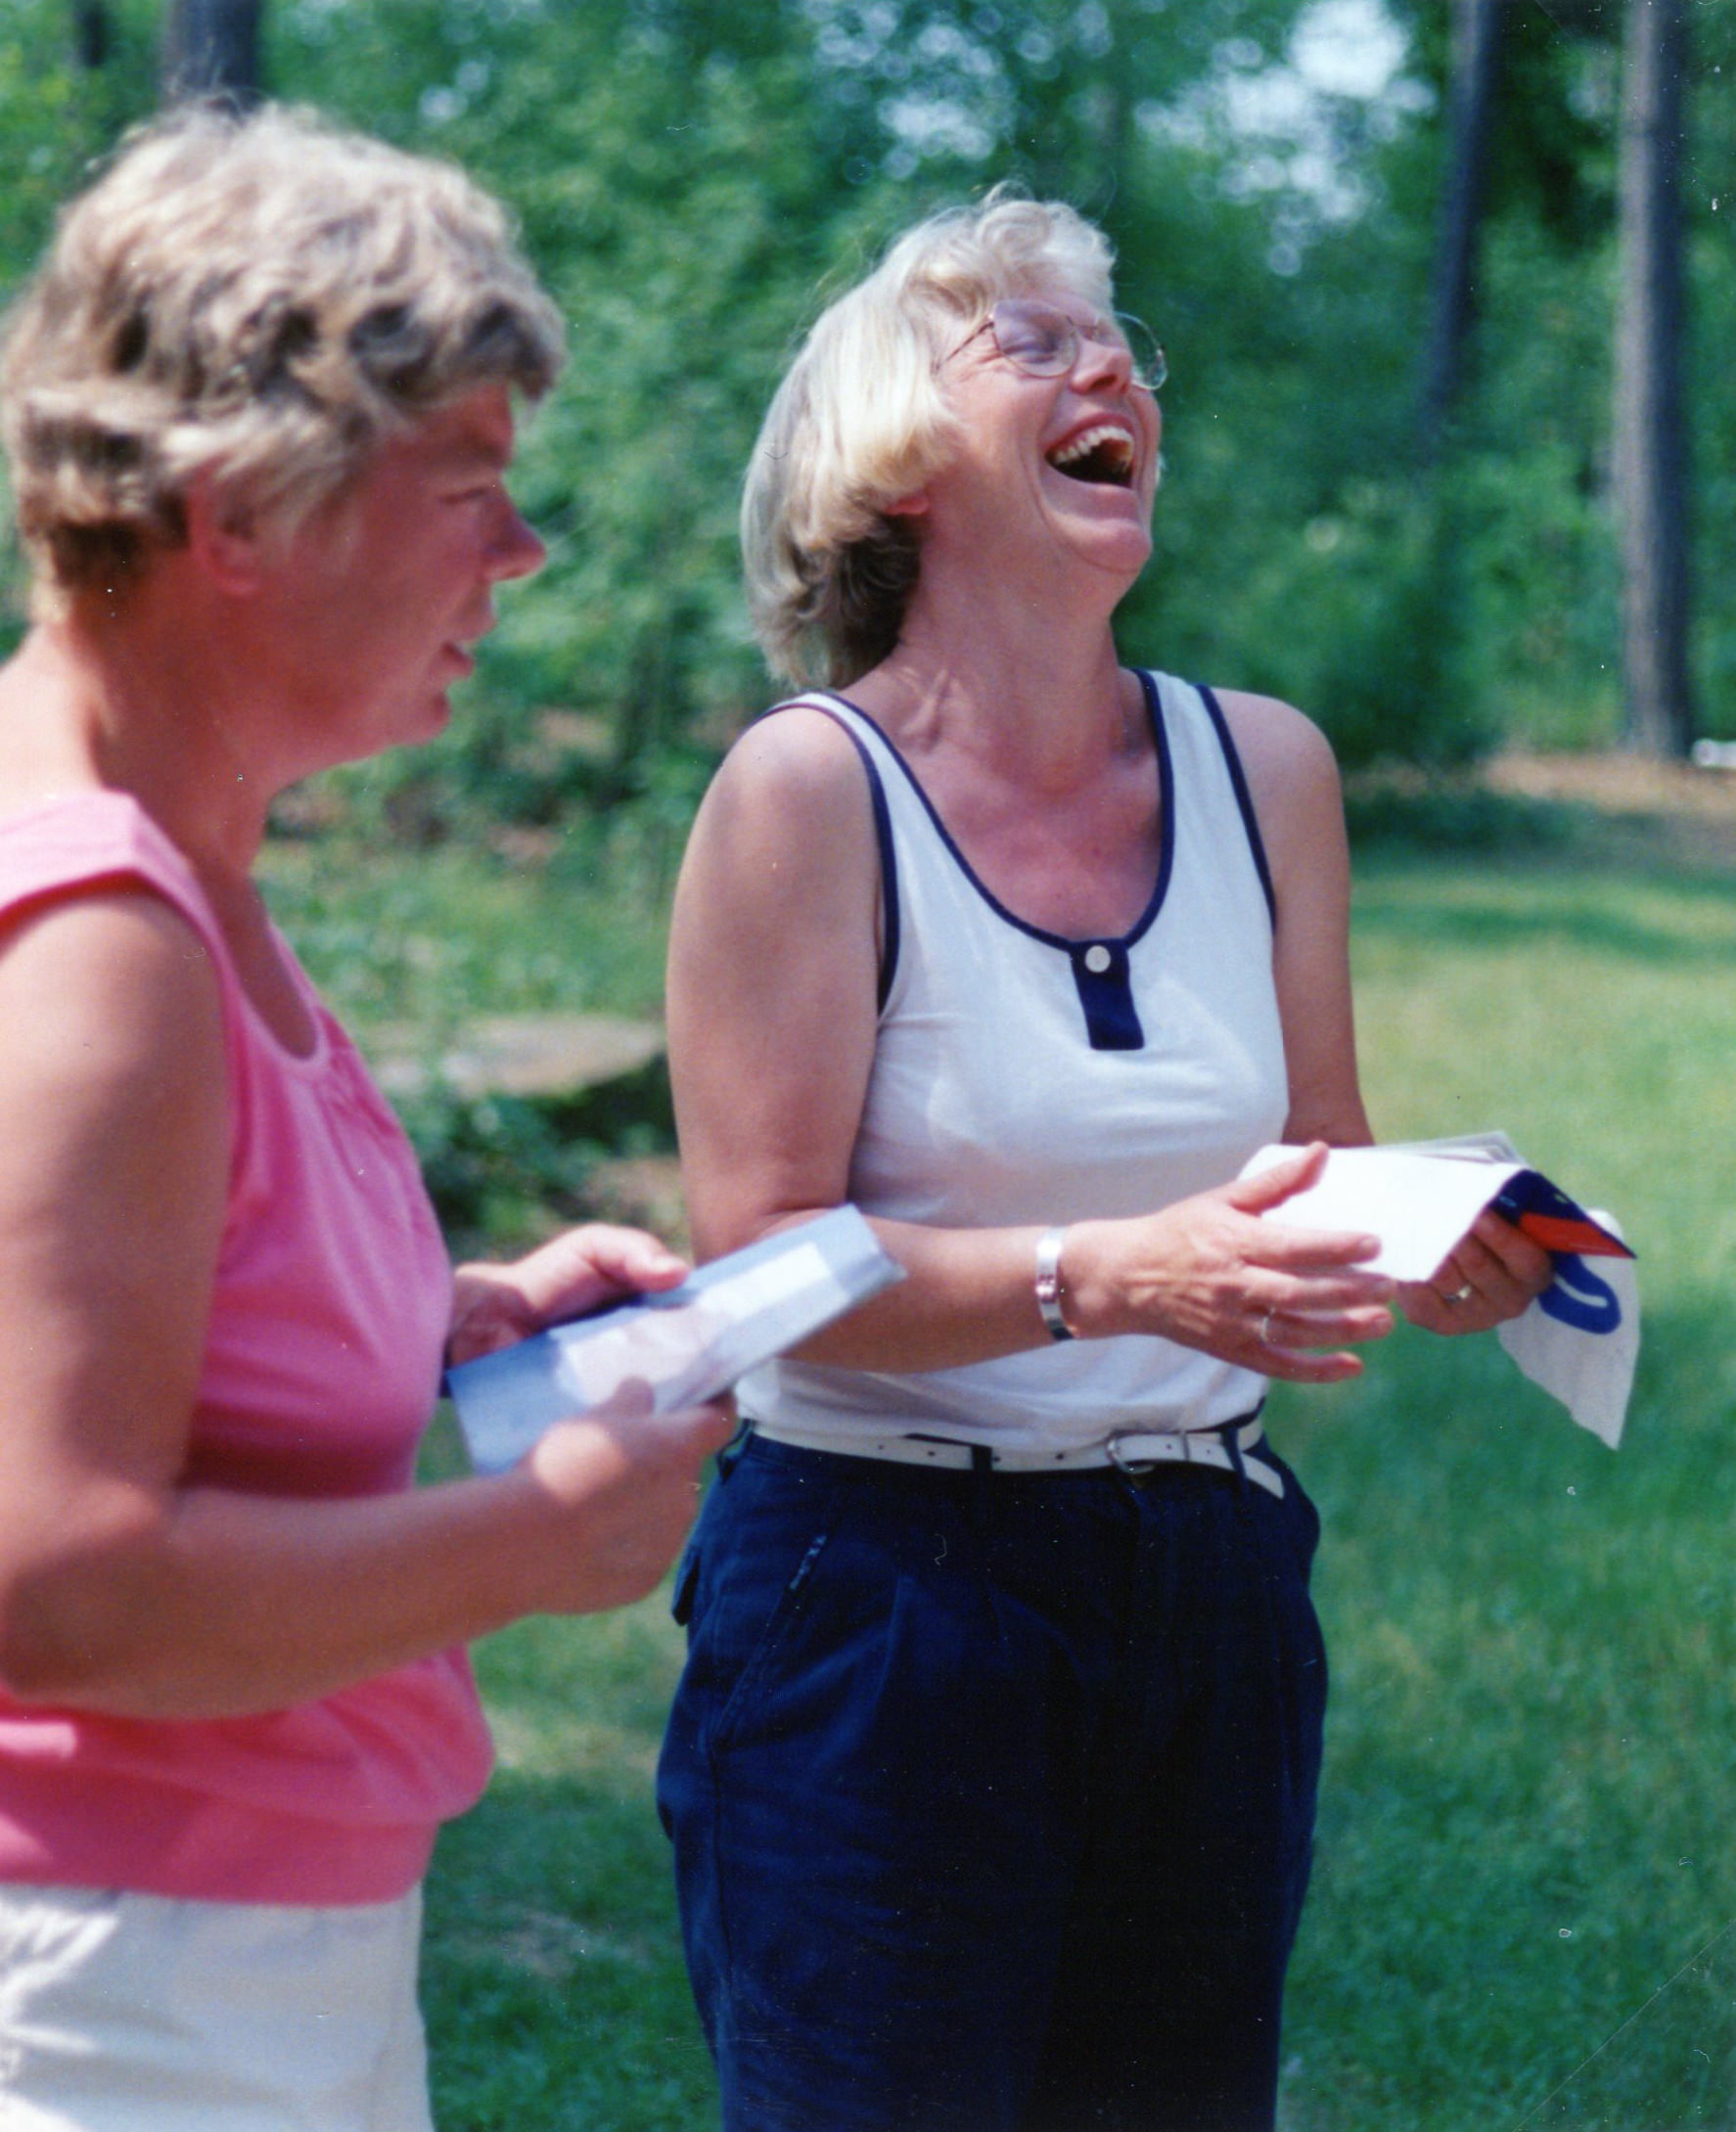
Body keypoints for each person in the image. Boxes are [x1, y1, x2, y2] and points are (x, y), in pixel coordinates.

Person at [0, 105, 732, 2132]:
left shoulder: (162, 868)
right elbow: (61, 1586)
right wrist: (535, 1532)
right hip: (62, 1992)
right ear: (239, 510)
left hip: (143, 1966)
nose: (523, 553)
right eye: (470, 489)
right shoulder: (85, 939)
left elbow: (113, 1351)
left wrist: (441, 1326)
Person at [655, 193, 1553, 2132]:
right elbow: (753, 1272)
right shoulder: (806, 790)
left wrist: (1442, 1242)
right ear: (893, 459)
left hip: (1209, 1588)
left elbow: (1313, 1163)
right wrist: (1103, 1274)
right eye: (1035, 344)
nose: (1115, 376)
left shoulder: (1267, 769)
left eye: (1122, 346)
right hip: (877, 1600)